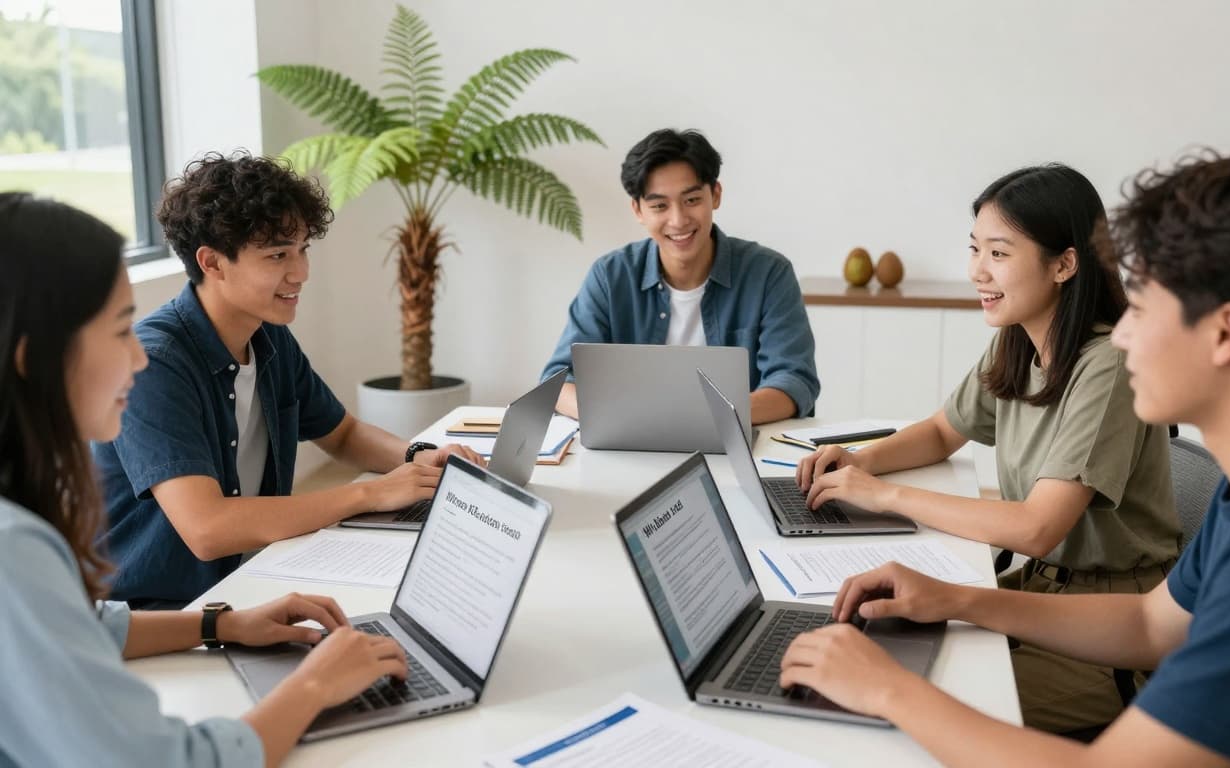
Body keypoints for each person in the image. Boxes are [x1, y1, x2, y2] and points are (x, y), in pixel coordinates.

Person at [780, 149, 1230, 765]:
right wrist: (956, 599)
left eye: (1143, 308)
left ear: (1226, 332)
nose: (1122, 333)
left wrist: (889, 690)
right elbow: (1151, 625)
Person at [0, 192, 409, 767]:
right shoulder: (13, 548)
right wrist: (315, 685)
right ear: (33, 356)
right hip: (169, 594)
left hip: (214, 599)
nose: (135, 358)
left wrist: (223, 624)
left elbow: (82, 623)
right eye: (118, 331)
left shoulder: (19, 530)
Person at [795, 164, 1180, 732]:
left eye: (998, 253)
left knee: (907, 693)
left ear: (1064, 264)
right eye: (975, 249)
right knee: (868, 643)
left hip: (1113, 634)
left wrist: (883, 495)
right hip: (1042, 591)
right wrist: (860, 461)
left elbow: (1036, 528)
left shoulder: (1107, 365)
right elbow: (942, 430)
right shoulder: (1018, 340)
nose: (978, 270)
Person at [93, 152, 482, 608]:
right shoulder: (155, 365)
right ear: (213, 263)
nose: (301, 273)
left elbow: (343, 434)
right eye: (278, 255)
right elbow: (208, 528)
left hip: (253, 579)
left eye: (302, 250)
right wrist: (370, 494)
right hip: (162, 612)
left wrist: (419, 457)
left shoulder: (268, 336)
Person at [540, 128, 820, 425]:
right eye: (659, 206)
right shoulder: (610, 277)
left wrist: (704, 419)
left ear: (715, 195)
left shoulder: (769, 273)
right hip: (630, 439)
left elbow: (793, 381)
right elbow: (558, 381)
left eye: (692, 200)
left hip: (736, 441)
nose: (678, 220)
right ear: (638, 210)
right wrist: (625, 419)